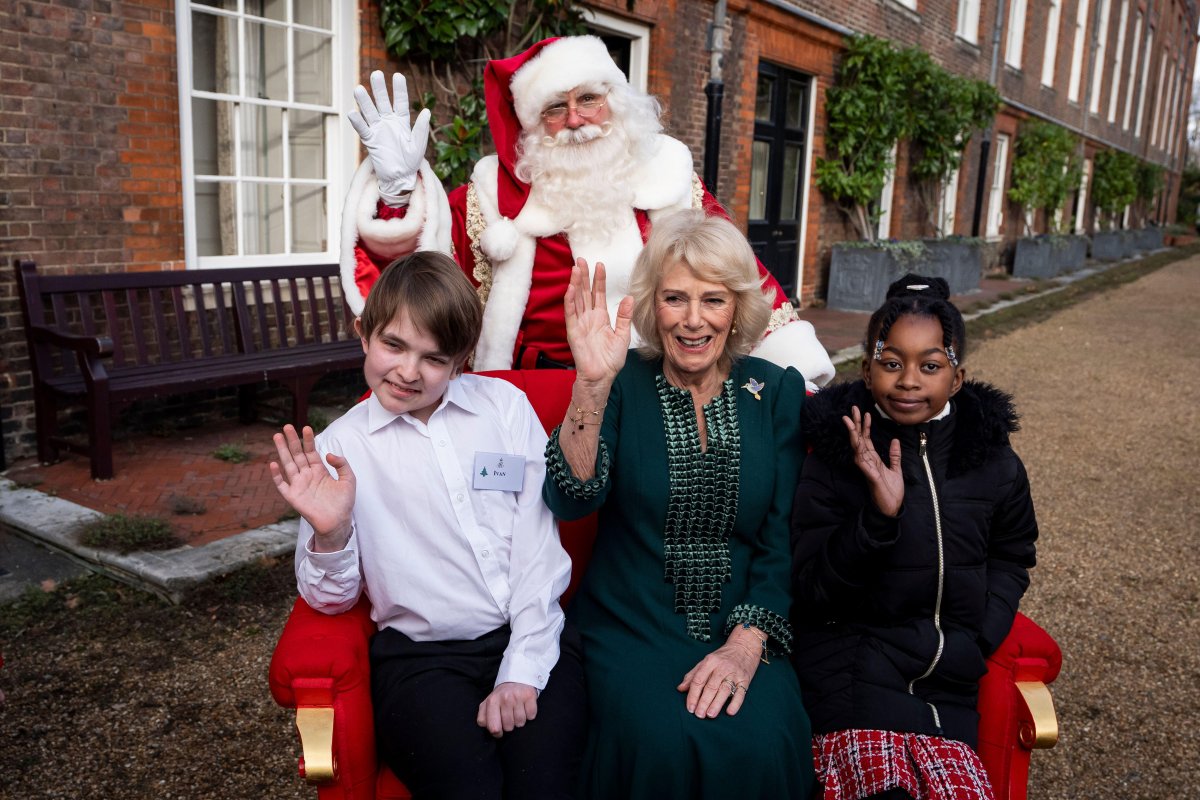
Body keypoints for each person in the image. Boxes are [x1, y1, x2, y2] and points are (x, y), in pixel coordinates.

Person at [341, 35, 835, 389]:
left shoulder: (667, 180)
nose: (575, 119)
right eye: (555, 108)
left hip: (654, 388)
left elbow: (737, 274)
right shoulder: (494, 197)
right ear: (533, 124)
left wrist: (790, 368)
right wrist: (397, 196)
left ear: (614, 103)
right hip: (529, 392)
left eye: (588, 100)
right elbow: (418, 275)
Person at [270, 251, 585, 799]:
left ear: (461, 362)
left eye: (433, 358)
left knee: (545, 784)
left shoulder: (505, 408)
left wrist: (522, 668)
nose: (408, 372)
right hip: (421, 660)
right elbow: (330, 600)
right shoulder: (339, 448)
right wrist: (331, 533)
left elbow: (539, 547)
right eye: (394, 345)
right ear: (364, 334)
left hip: (532, 632)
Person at [542, 209, 815, 799]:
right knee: (658, 741)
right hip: (628, 626)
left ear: (737, 309)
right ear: (652, 305)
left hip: (744, 626)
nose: (693, 320)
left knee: (764, 741)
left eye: (713, 300)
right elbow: (570, 500)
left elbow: (782, 542)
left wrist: (746, 644)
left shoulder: (776, 393)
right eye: (675, 299)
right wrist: (590, 383)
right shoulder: (618, 383)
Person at [790, 274, 1040, 800]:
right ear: (867, 369)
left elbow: (1013, 553)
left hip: (948, 689)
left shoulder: (992, 460)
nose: (908, 381)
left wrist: (980, 636)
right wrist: (878, 518)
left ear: (957, 377)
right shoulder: (836, 453)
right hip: (852, 679)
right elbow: (812, 589)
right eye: (891, 363)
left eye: (930, 366)